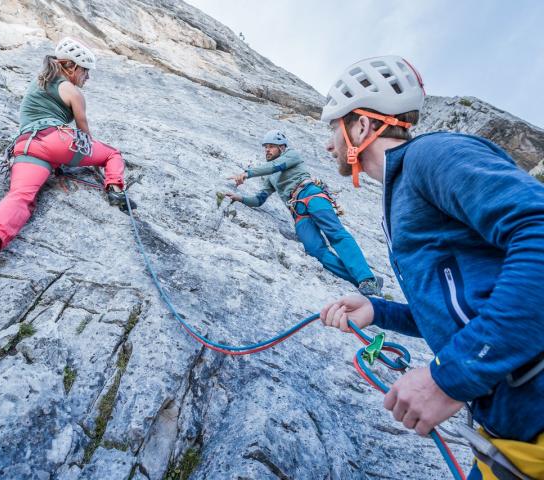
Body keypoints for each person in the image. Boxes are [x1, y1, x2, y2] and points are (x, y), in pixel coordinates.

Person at [319, 55, 544, 479]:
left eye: (334, 126)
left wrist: (449, 377)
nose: (329, 143)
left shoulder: (432, 156)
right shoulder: (398, 198)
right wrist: (378, 311)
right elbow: (464, 306)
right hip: (509, 435)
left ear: (362, 127)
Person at [0, 37, 135, 272]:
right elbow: (84, 132)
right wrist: (91, 157)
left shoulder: (38, 83)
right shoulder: (71, 89)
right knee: (112, 154)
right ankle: (116, 191)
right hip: (58, 141)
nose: (88, 77)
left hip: (26, 147)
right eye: (86, 72)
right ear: (72, 67)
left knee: (20, 196)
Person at [225, 130, 382, 296]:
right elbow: (259, 199)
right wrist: (240, 198)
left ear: (282, 147)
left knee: (336, 234)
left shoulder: (292, 155)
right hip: (297, 211)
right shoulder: (270, 177)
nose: (267, 150)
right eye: (265, 147)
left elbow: (275, 166)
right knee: (315, 251)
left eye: (271, 146)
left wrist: (247, 173)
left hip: (311, 195)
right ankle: (362, 281)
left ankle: (367, 279)